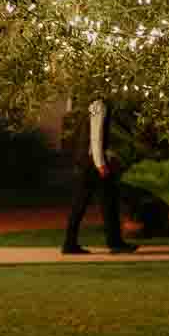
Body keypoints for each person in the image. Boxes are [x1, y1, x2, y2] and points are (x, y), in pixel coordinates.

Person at [61, 97, 137, 256]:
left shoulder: (91, 105)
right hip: (92, 164)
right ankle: (115, 243)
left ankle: (69, 244)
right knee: (108, 202)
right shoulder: (98, 106)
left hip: (86, 162)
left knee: (80, 205)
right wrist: (100, 163)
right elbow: (96, 137)